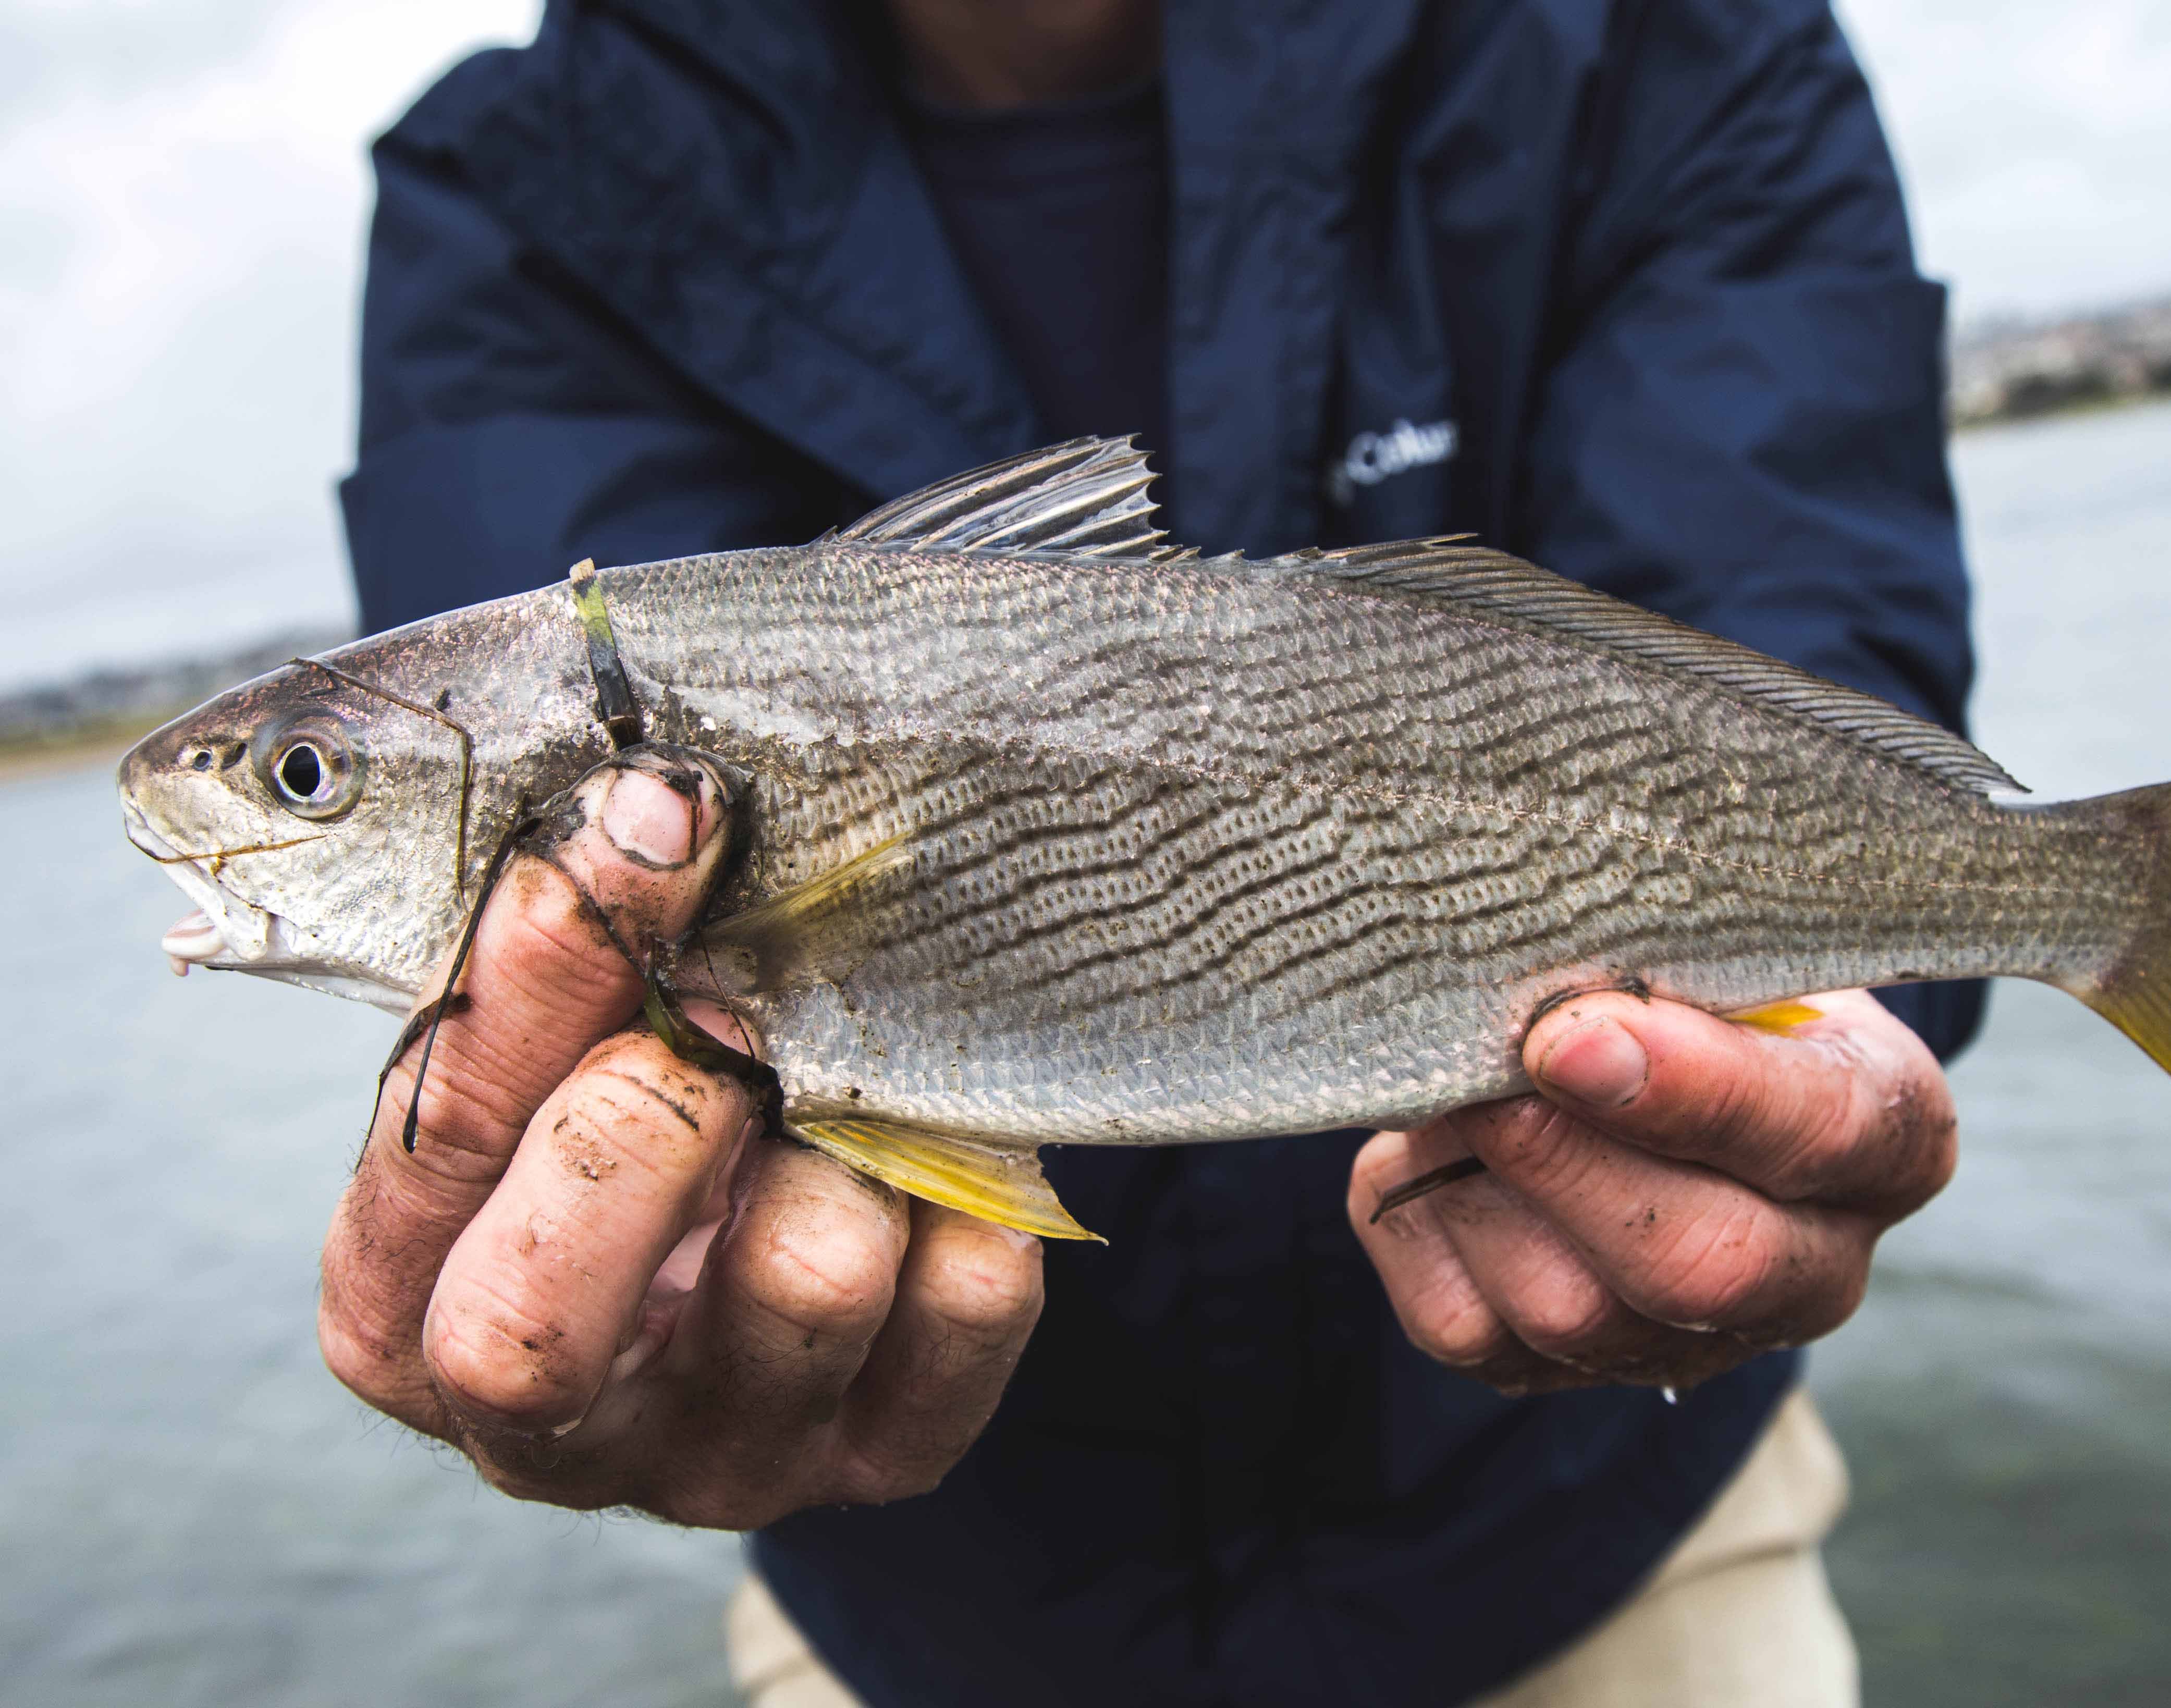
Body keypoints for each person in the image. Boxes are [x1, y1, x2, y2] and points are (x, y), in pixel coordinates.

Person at [326, 1, 1980, 1703]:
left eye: (307, 778)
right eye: (311, 779)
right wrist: (628, 1270)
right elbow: (580, 972)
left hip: (1598, 1538)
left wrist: (1850, 1039)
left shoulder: (1655, 36)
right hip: (930, 1619)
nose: (297, 804)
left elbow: (1801, 632)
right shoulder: (524, 180)